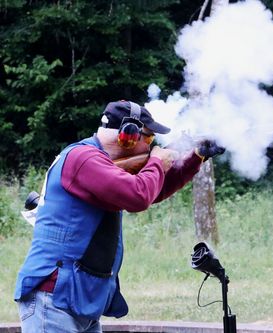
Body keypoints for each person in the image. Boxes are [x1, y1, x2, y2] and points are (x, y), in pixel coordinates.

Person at [14, 100, 224, 333]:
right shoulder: (83, 158)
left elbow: (153, 190)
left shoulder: (97, 161)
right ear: (128, 135)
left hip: (79, 297)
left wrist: (196, 156)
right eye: (149, 138)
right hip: (54, 297)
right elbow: (138, 195)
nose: (151, 145)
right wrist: (155, 161)